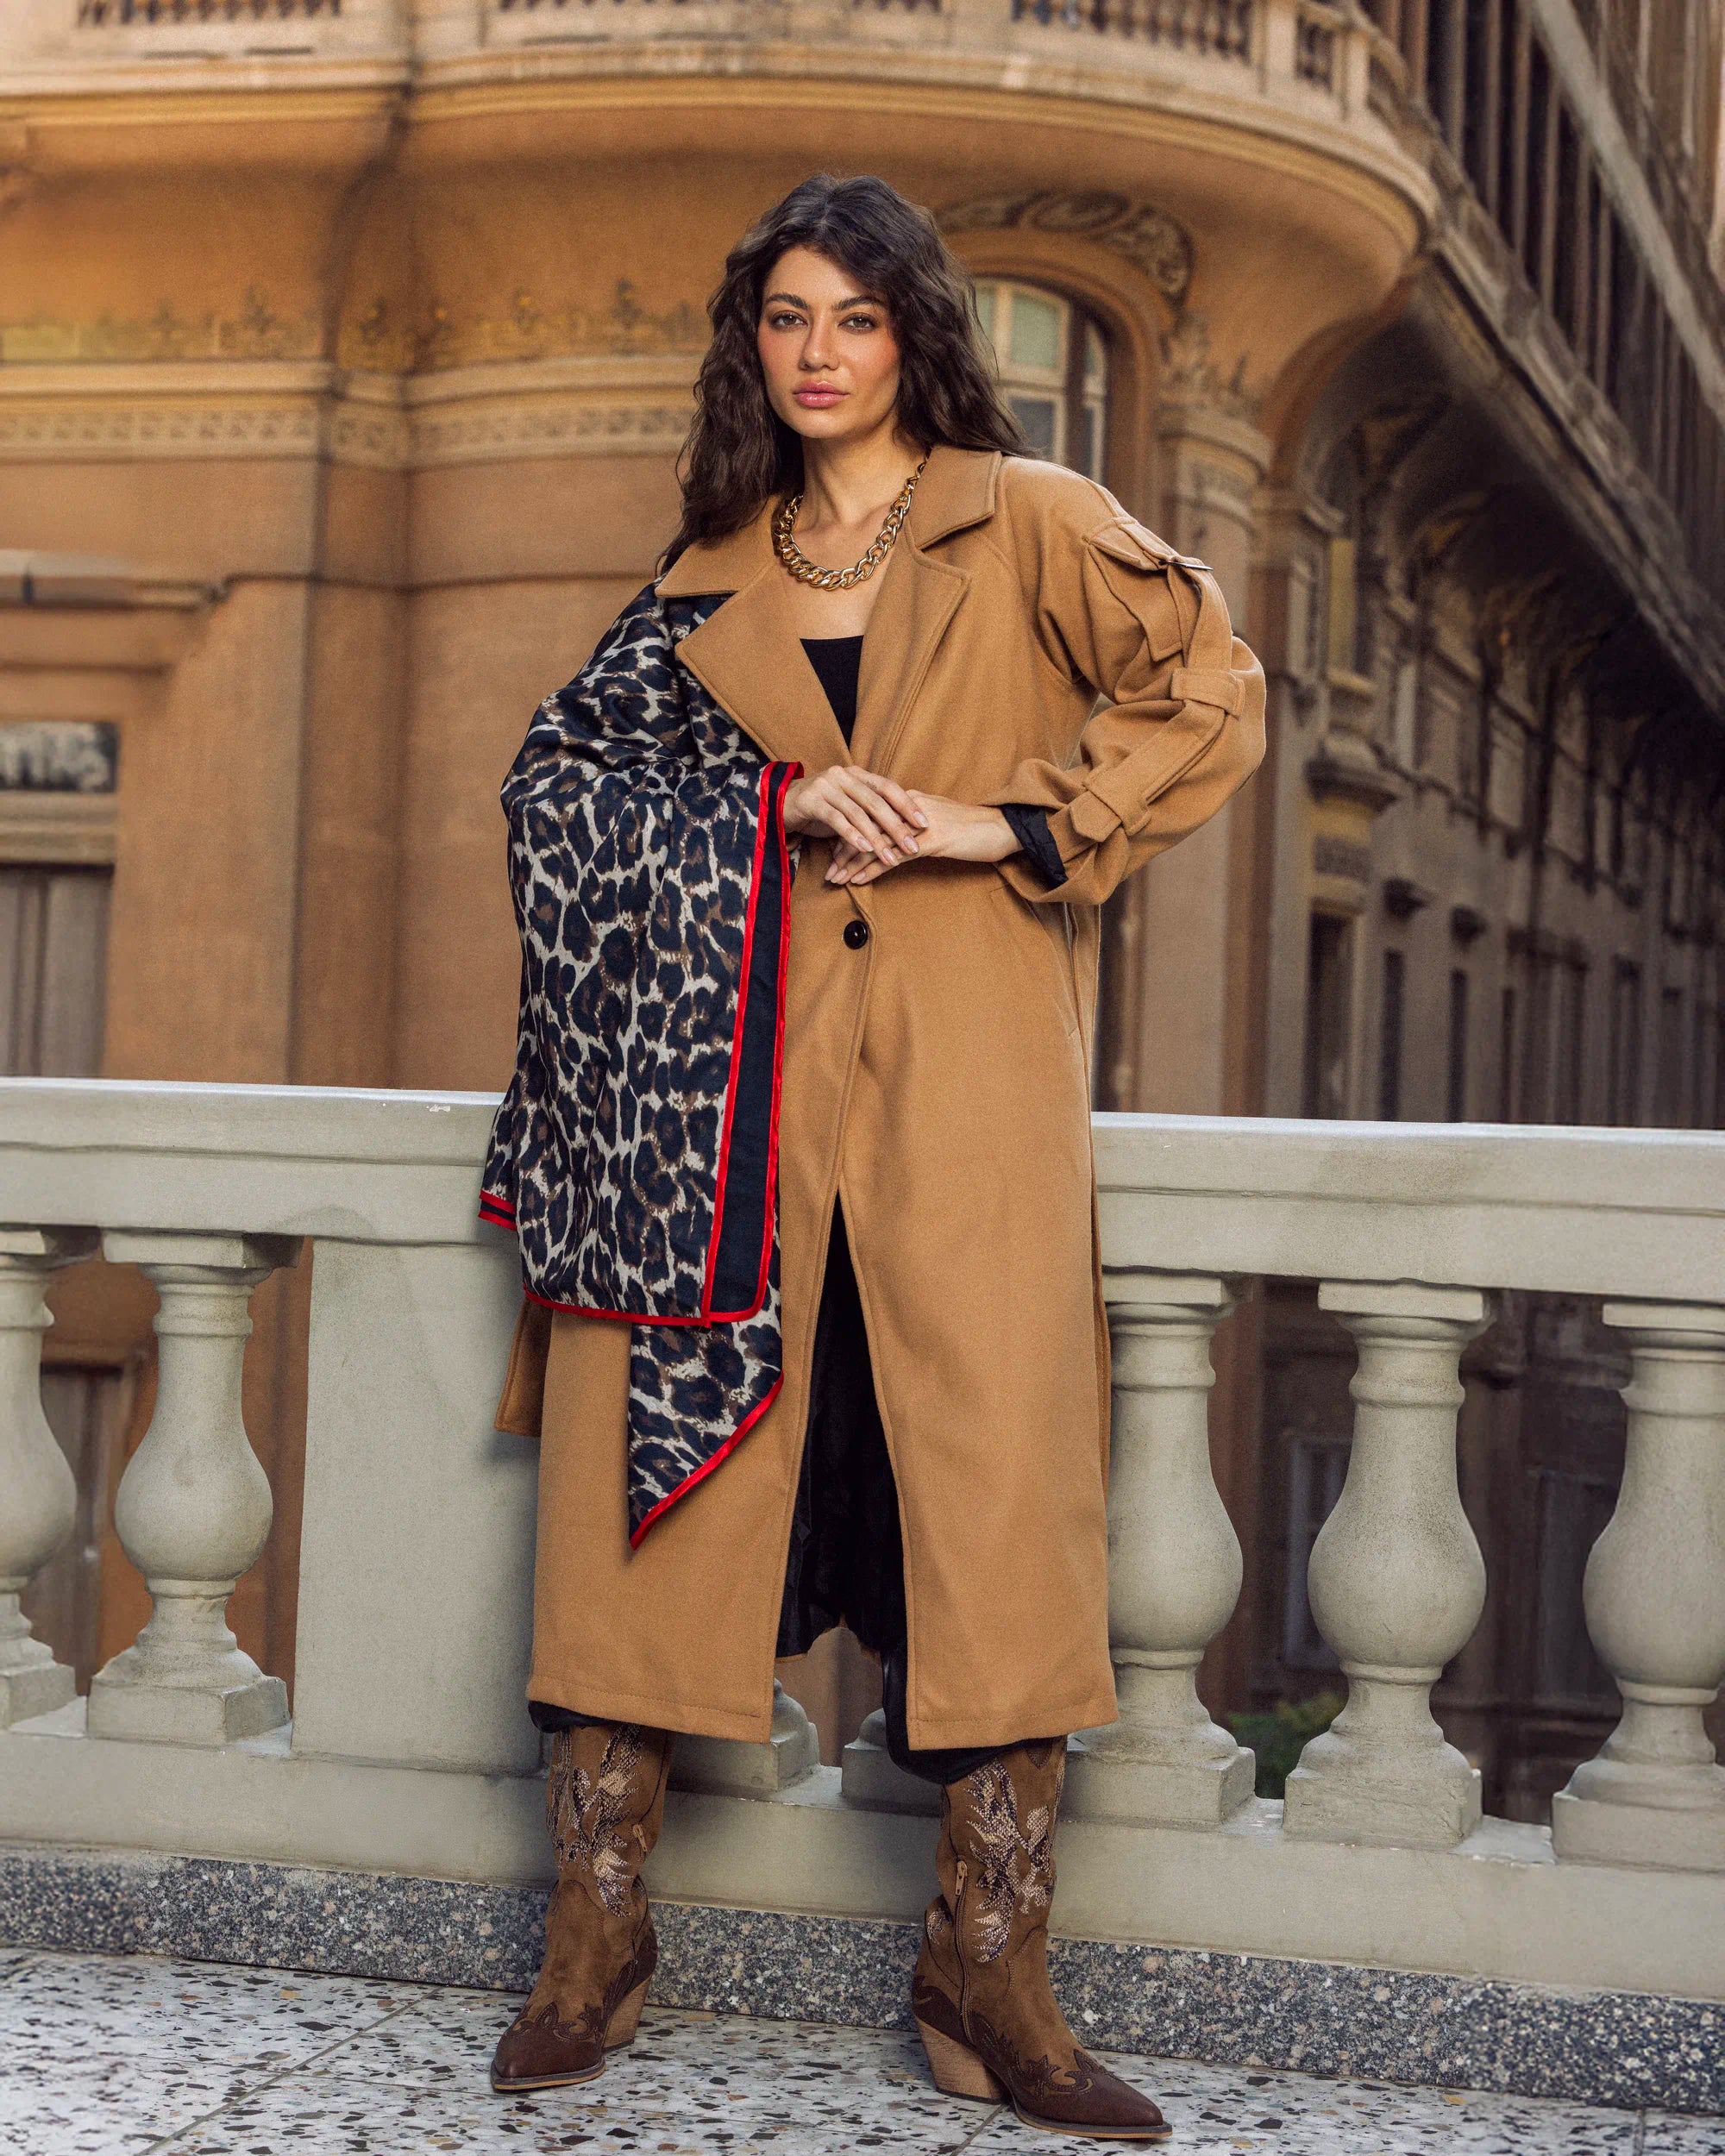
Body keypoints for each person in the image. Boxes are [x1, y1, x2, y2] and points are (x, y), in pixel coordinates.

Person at [479, 172, 1266, 2141]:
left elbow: (1216, 691)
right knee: (636, 1478)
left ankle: (986, 1964)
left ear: (920, 334)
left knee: (989, 1488)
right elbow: (555, 783)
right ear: (754, 345)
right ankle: (596, 1932)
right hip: (725, 1112)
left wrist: (1006, 821)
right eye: (784, 319)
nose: (817, 354)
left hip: (967, 1085)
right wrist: (754, 815)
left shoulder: (1036, 524)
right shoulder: (701, 570)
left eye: (854, 317)